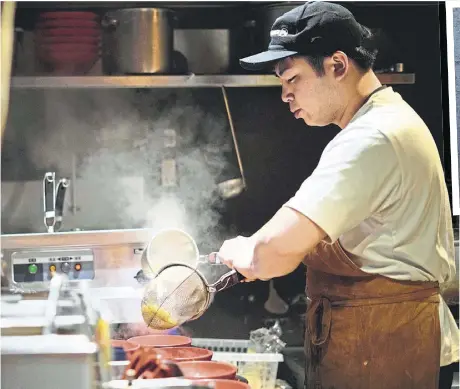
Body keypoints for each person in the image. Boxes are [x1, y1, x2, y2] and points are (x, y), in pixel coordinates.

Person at [217, 2, 459, 388]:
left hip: (391, 355)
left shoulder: (372, 137)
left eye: (292, 78)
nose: (285, 95)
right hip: (384, 346)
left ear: (338, 65)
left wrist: (238, 251)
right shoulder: (382, 121)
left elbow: (271, 252)